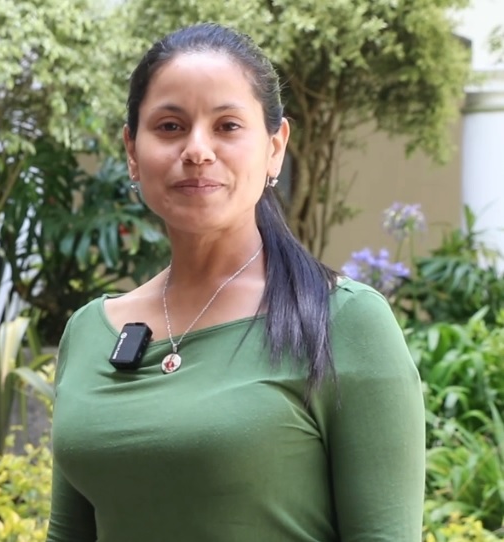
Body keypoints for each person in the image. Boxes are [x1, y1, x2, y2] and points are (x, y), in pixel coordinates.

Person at [47, 22, 426, 542]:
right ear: (132, 150)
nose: (198, 150)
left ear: (274, 147)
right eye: (170, 126)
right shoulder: (91, 332)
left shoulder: (343, 322)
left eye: (227, 126)